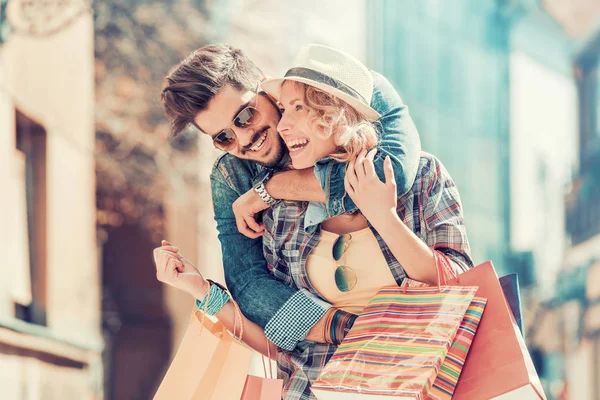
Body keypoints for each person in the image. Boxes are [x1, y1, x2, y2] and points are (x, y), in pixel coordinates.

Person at [155, 44, 473, 400]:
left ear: (330, 109)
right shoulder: (274, 211)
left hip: (422, 384)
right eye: (224, 137)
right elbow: (277, 334)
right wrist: (203, 293)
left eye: (245, 116)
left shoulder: (420, 177)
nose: (244, 139)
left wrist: (381, 215)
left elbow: (460, 286)